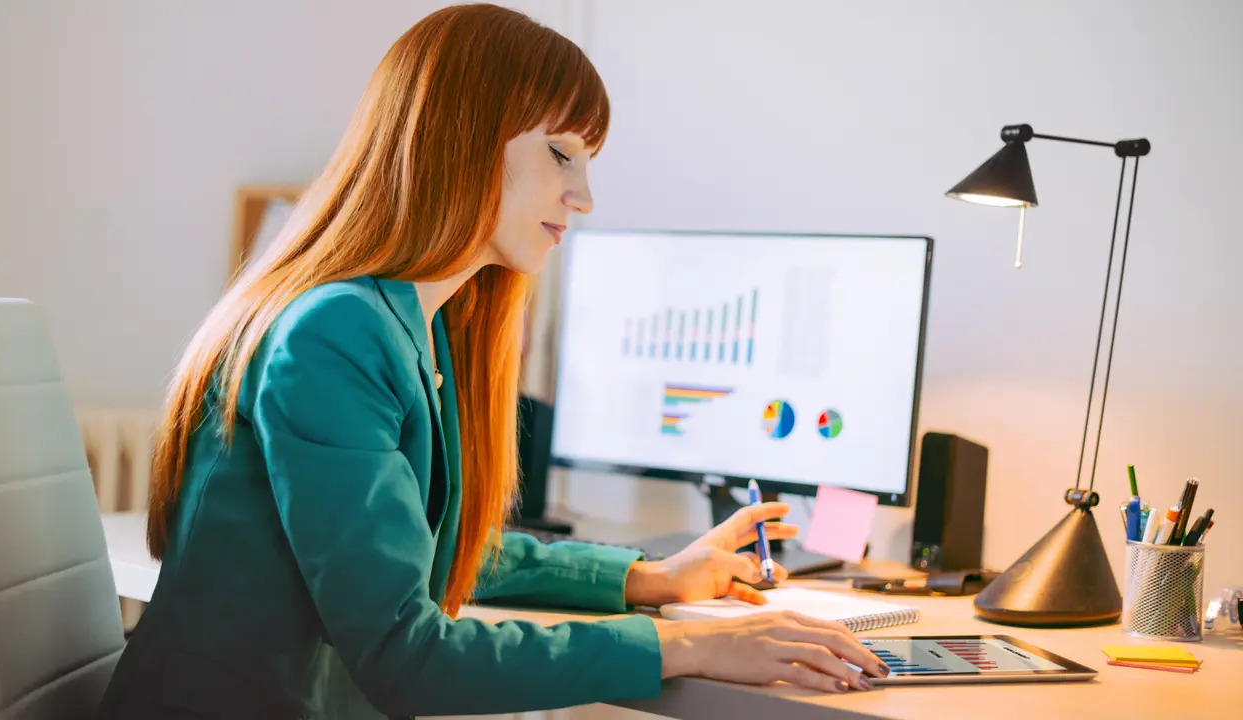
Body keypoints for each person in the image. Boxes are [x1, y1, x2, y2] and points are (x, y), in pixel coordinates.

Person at [95, 4, 888, 718]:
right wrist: (684, 644)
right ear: (462, 139)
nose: (584, 198)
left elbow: (428, 544)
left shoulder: (419, 325)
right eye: (562, 154)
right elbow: (407, 657)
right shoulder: (335, 332)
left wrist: (645, 579)